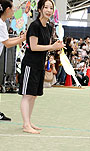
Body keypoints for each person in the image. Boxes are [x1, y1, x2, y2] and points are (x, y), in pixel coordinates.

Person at [19, 0, 65, 134]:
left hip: (40, 65)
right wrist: (52, 46)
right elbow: (33, 47)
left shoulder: (49, 27)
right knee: (27, 95)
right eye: (46, 7)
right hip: (30, 64)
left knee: (34, 95)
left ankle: (28, 121)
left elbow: (47, 46)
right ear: (39, 9)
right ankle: (26, 124)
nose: (49, 10)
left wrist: (57, 46)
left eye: (51, 8)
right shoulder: (34, 25)